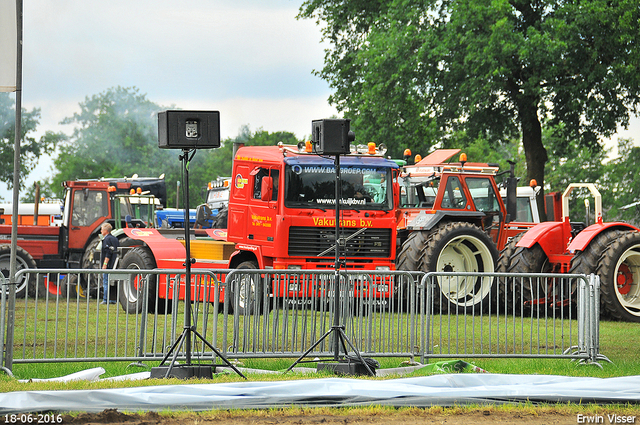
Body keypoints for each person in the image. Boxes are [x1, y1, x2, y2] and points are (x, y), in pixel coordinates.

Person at [100, 222, 119, 304]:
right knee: (113, 282)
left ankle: (105, 299)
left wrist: (104, 264)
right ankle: (113, 299)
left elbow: (108, 252)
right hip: (115, 264)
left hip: (108, 265)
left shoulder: (106, 240)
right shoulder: (115, 239)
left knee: (106, 281)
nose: (101, 231)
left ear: (105, 230)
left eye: (101, 229)